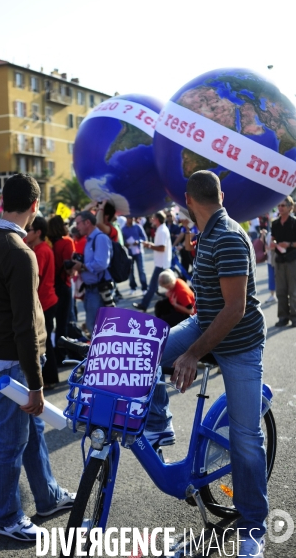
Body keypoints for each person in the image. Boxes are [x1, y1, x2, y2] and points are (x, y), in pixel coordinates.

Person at [147, 171, 267, 558]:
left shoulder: (228, 236)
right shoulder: (206, 232)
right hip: (205, 322)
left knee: (246, 439)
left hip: (240, 345)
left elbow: (234, 309)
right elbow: (212, 307)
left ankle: (253, 530)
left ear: (187, 200)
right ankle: (158, 427)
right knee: (147, 354)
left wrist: (193, 354)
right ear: (219, 194)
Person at [0, 173, 75, 541]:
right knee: (12, 441)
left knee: (31, 432)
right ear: (34, 206)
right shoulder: (19, 251)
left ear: (3, 201)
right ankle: (8, 516)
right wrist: (36, 385)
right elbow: (25, 326)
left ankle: (46, 497)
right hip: (13, 360)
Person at [25, 217, 59, 388]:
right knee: (43, 343)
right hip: (46, 300)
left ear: (38, 232)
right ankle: (50, 378)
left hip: (44, 302)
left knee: (43, 344)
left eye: (28, 229)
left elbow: (34, 278)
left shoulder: (40, 251)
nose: (25, 233)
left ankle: (50, 378)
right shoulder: (40, 248)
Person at [72, 210, 113, 334]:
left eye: (78, 223)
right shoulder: (90, 239)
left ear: (87, 222)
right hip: (91, 290)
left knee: (95, 327)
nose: (76, 227)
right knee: (94, 326)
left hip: (98, 289)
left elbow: (101, 263)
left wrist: (83, 266)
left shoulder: (100, 238)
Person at [47, 215, 75, 366]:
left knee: (51, 324)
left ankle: (54, 355)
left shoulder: (48, 243)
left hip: (51, 285)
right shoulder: (67, 242)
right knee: (63, 323)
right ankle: (61, 356)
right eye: (65, 223)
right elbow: (68, 268)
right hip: (64, 285)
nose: (67, 225)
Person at [133, 211, 172, 312]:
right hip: (162, 262)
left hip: (161, 263)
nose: (151, 220)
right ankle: (145, 305)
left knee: (154, 286)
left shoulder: (162, 230)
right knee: (156, 286)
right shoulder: (161, 229)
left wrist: (149, 245)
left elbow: (162, 248)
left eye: (153, 218)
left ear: (157, 220)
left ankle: (144, 305)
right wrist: (150, 244)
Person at [270, 196, 296, 327]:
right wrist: (273, 244)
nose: (280, 208)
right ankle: (283, 317)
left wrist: (289, 244)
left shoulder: (294, 222)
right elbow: (273, 239)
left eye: (283, 205)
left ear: (290, 207)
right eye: (278, 206)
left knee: (293, 290)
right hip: (279, 260)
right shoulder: (275, 223)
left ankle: (294, 317)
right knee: (280, 290)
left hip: (293, 259)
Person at [121, 216, 148, 295]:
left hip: (138, 252)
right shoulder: (123, 229)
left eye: (133, 218)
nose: (132, 219)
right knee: (130, 271)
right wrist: (125, 244)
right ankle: (133, 287)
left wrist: (138, 241)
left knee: (141, 270)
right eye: (130, 218)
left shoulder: (138, 227)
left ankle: (144, 287)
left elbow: (144, 238)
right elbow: (122, 241)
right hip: (129, 253)